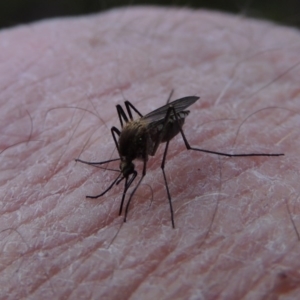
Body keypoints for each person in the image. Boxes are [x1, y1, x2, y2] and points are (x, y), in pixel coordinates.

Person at [1, 7, 299, 299]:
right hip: (150, 128)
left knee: (162, 152)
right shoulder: (124, 150)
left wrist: (154, 142)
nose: (127, 174)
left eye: (125, 171)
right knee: (125, 119)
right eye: (125, 170)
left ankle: (214, 150)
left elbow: (141, 160)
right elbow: (127, 145)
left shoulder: (134, 153)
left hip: (168, 123)